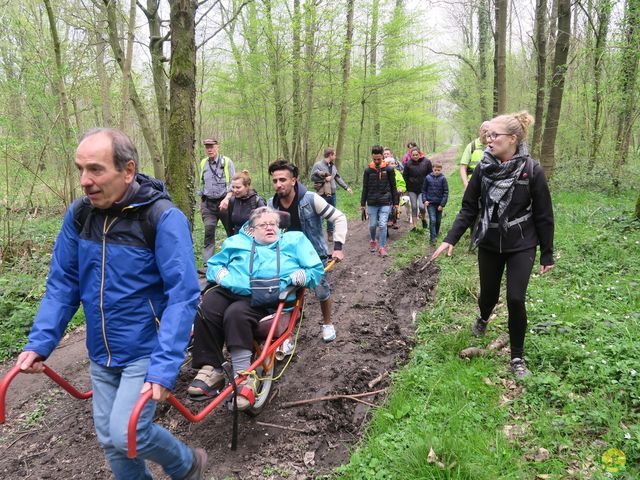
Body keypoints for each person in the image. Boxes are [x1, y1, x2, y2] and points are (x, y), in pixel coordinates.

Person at [16, 128, 206, 479]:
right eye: (80, 170)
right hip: (101, 353)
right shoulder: (80, 216)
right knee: (110, 439)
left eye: (95, 170)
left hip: (145, 351)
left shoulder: (162, 218)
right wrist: (40, 341)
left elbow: (183, 295)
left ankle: (186, 463)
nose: (84, 181)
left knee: (127, 432)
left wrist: (164, 368)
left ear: (128, 171)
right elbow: (63, 284)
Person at [432, 111, 555, 380]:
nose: (489, 139)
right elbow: (468, 209)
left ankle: (518, 357)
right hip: (489, 240)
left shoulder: (531, 170)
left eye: (494, 135)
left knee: (515, 298)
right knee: (488, 295)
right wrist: (450, 238)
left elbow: (544, 214)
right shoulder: (483, 170)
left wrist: (547, 253)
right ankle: (484, 317)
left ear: (512, 139)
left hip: (522, 242)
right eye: (488, 134)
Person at [188, 207, 324, 407]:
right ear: (251, 230)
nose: (270, 228)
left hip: (264, 296)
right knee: (207, 306)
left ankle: (244, 377)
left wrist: (299, 277)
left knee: (236, 314)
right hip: (230, 288)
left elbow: (315, 269)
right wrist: (220, 275)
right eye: (264, 225)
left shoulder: (293, 241)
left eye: (274, 224)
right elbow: (215, 264)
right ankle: (211, 369)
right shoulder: (236, 242)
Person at [268, 160, 347, 343]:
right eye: (275, 181)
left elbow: (339, 217)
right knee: (284, 297)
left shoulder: (310, 199)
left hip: (313, 256)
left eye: (283, 180)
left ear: (293, 180)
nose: (278, 184)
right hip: (287, 258)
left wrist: (338, 247)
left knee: (321, 290)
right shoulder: (272, 205)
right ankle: (286, 337)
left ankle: (327, 324)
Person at [199, 137, 235, 266]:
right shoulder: (203, 163)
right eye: (207, 147)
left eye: (212, 146)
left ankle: (234, 260)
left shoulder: (226, 162)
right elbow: (202, 184)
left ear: (217, 146)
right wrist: (202, 203)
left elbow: (233, 183)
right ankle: (207, 265)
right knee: (209, 233)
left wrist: (227, 199)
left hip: (225, 203)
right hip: (208, 204)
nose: (209, 149)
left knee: (231, 232)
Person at [361, 145, 398, 257]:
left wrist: (396, 203)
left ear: (382, 156)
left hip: (385, 201)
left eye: (379, 159)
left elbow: (393, 187)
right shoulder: (368, 170)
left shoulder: (389, 169)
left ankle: (382, 247)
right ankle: (373, 240)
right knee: (372, 225)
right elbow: (365, 188)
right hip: (372, 202)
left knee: (382, 225)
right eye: (374, 159)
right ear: (372, 157)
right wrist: (363, 204)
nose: (377, 161)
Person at [310, 147, 353, 243]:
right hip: (322, 194)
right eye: (334, 154)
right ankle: (318, 235)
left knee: (331, 214)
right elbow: (312, 178)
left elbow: (338, 178)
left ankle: (330, 234)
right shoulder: (318, 165)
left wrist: (346, 187)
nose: (335, 156)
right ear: (330, 155)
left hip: (332, 194)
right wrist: (324, 179)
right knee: (320, 216)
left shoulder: (333, 166)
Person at [227, 170, 267, 235]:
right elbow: (229, 225)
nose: (235, 190)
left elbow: (265, 223)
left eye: (238, 187)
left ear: (247, 186)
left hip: (253, 239)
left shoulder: (257, 201)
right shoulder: (232, 201)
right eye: (233, 187)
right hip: (237, 238)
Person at [402, 146, 433, 230]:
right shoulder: (408, 164)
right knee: (414, 207)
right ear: (411, 155)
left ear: (420, 154)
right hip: (412, 189)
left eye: (416, 154)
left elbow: (430, 174)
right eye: (413, 155)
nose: (415, 156)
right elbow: (405, 175)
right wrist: (408, 184)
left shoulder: (427, 162)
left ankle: (423, 219)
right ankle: (415, 226)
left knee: (422, 206)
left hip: (423, 188)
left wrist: (429, 185)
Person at [421, 160, 449, 245]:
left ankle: (436, 233)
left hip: (439, 204)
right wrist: (425, 200)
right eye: (435, 170)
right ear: (432, 169)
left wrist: (442, 204)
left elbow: (446, 192)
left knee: (438, 221)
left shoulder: (443, 179)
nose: (437, 172)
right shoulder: (428, 178)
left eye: (438, 170)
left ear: (441, 170)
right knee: (432, 220)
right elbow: (424, 190)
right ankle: (432, 238)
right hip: (430, 203)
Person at [459, 121, 489, 190]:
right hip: (472, 184)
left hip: (489, 185)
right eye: (484, 131)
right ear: (480, 131)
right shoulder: (471, 146)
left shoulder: (494, 146)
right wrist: (466, 184)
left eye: (488, 131)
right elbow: (463, 167)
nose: (486, 134)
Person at [384, 156, 406, 229]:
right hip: (385, 194)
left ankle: (393, 220)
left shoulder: (397, 173)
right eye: (392, 164)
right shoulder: (383, 173)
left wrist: (401, 188)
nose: (394, 165)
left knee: (394, 206)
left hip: (395, 194)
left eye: (394, 163)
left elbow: (402, 183)